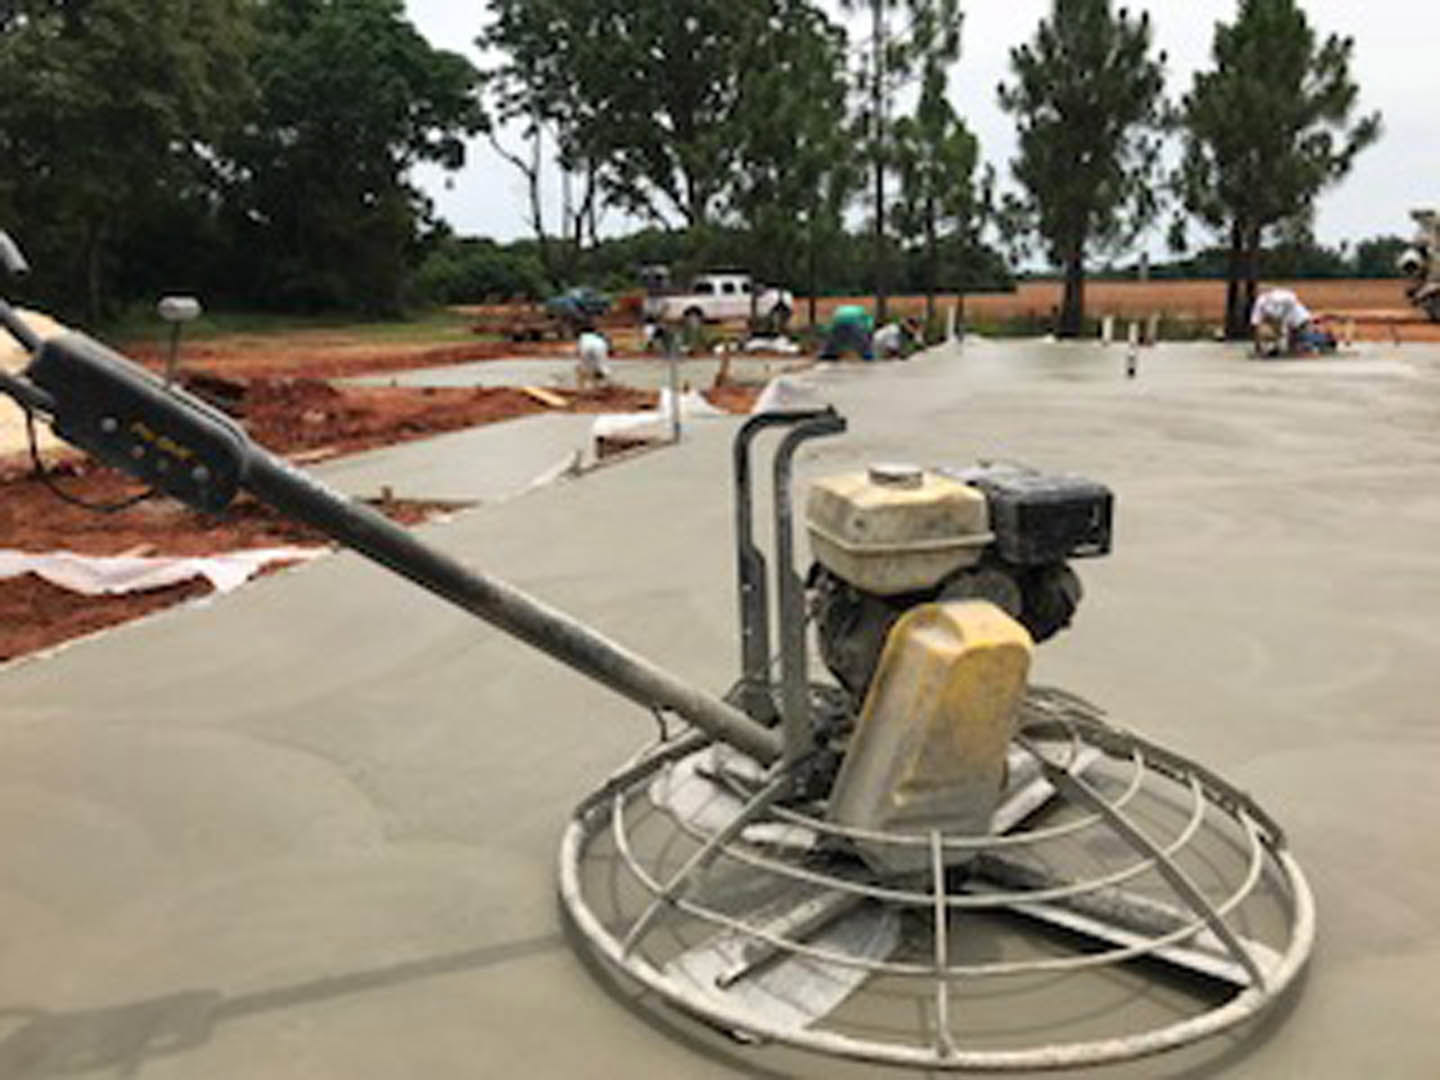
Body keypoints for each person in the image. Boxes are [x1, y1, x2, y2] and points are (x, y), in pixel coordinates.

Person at [1250, 287, 1334, 357]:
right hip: (1287, 322)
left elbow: (1292, 299)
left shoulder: (1280, 295)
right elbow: (1256, 323)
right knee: (1294, 346)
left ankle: (1325, 339)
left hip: (1299, 319)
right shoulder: (1260, 303)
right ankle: (1317, 341)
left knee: (1303, 341)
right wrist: (1258, 348)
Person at [575, 325, 611, 389]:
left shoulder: (583, 338)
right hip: (601, 354)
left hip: (588, 357)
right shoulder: (599, 339)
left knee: (586, 372)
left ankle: (586, 390)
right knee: (600, 371)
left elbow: (582, 354)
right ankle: (601, 387)